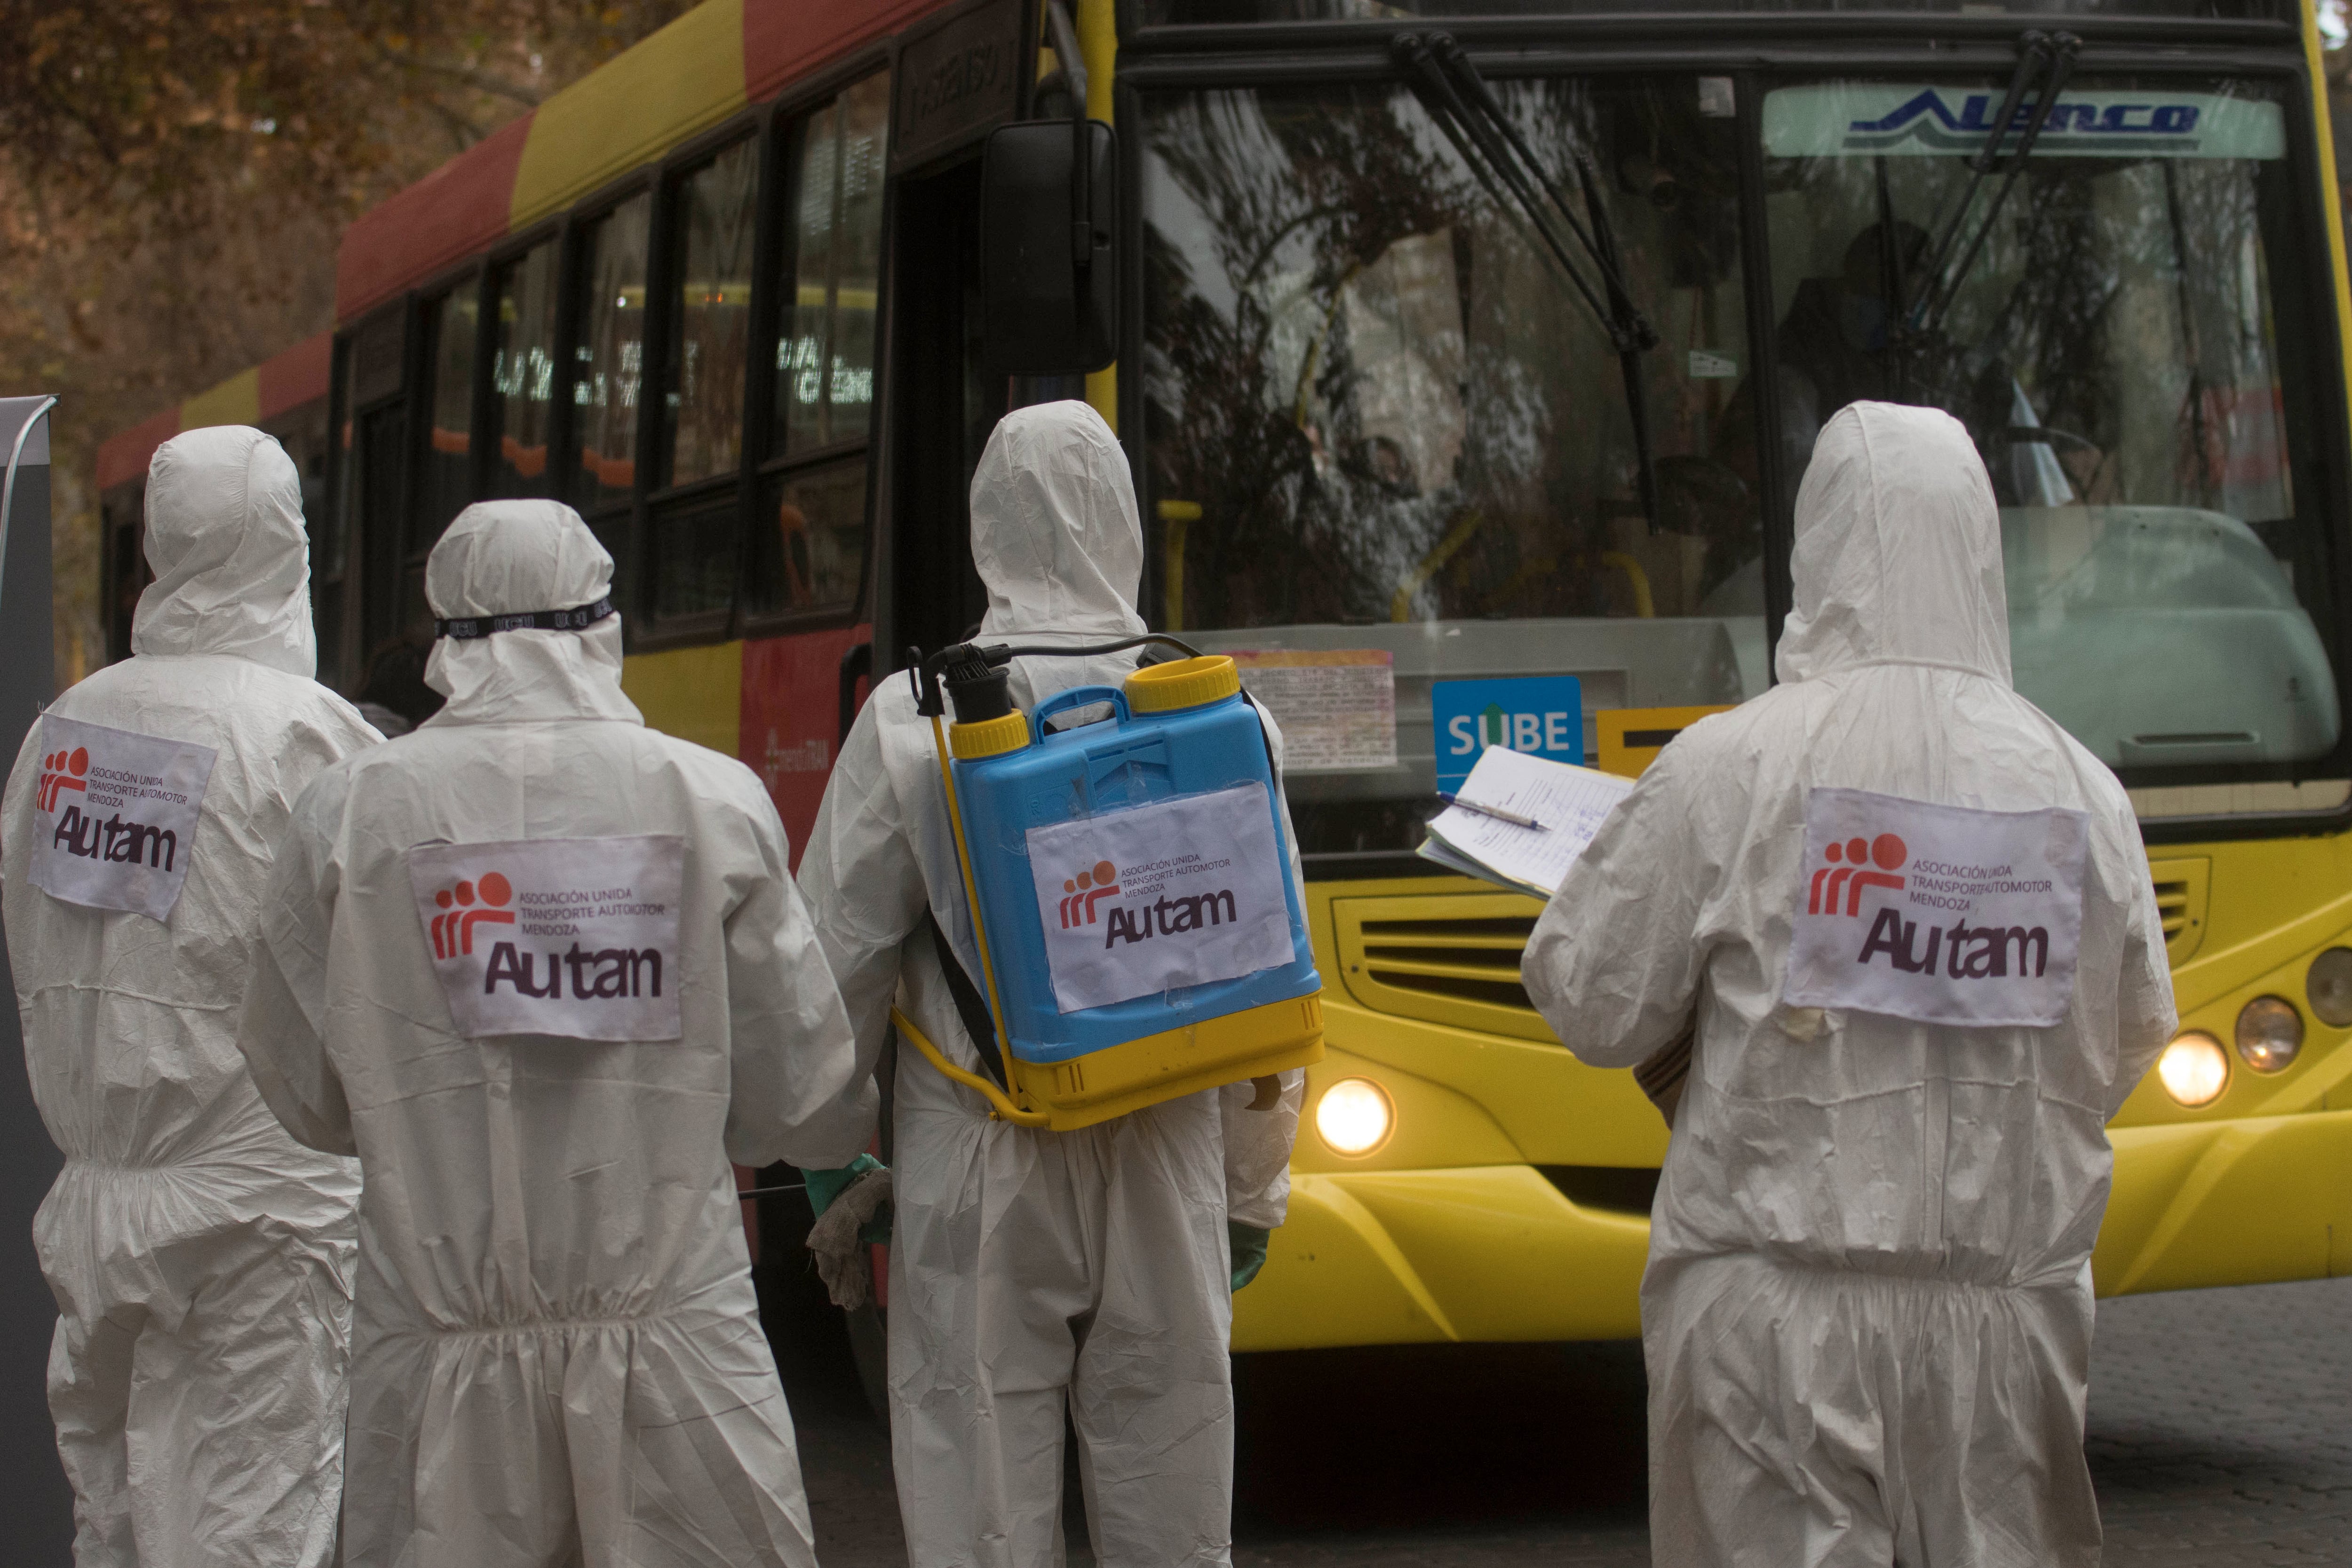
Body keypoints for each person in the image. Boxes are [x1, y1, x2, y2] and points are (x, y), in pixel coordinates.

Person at [1523, 401, 2177, 1568]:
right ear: (1979, 545)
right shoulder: (2085, 792)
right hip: (2007, 1325)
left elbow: (1588, 999)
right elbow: (2119, 1046)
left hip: (1773, 1328)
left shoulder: (1734, 764)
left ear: (1814, 550)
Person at [235, 498, 870, 1568]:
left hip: (437, 1362)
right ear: (602, 620)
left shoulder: (349, 813)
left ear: (447, 635)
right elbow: (795, 1097)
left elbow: (305, 1092)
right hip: (678, 1352)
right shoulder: (706, 796)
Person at [794, 400, 1305, 1567]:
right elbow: (1264, 970)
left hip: (981, 1155)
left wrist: (831, 1148)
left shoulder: (914, 716)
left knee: (978, 1486)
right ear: (1123, 520)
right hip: (1168, 1140)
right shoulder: (1224, 712)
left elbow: (831, 959)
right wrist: (1247, 1187)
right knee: (1171, 1481)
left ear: (989, 529)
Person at [1, 425, 378, 1568]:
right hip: (262, 1218)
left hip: (100, 1204)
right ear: (286, 543)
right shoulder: (307, 734)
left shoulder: (61, 733)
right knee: (258, 1524)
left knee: (114, 1517)